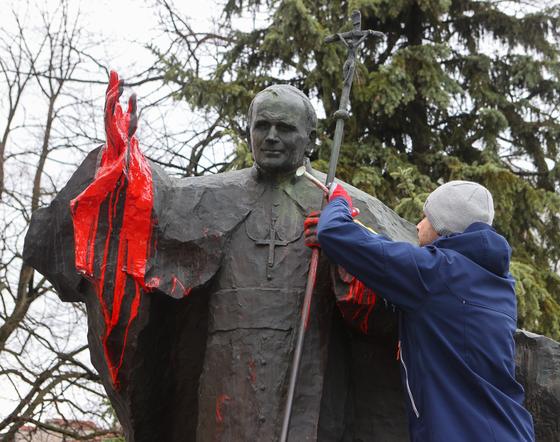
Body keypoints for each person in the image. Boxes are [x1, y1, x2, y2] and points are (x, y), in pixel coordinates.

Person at [24, 73, 415, 441]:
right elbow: (150, 218)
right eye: (262, 126)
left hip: (313, 371)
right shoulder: (211, 195)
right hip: (227, 377)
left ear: (310, 139)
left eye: (285, 128)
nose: (272, 137)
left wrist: (346, 256)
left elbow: (398, 284)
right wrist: (122, 167)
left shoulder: (343, 206)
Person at [305, 181, 535, 441]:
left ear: (444, 225)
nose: (418, 225)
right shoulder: (498, 284)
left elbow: (334, 232)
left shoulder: (436, 274)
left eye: (426, 217)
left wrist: (338, 202)